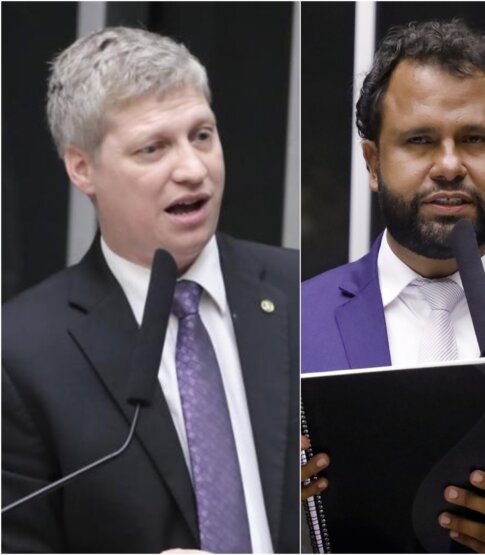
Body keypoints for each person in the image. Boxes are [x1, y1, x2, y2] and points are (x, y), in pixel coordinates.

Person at [301, 20, 485, 553]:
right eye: (419, 141)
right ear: (373, 162)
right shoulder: (295, 326)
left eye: (474, 139)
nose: (449, 166)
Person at [1, 27, 299, 553]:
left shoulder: (302, 293)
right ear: (81, 168)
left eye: (202, 135)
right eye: (153, 148)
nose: (192, 169)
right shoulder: (21, 353)